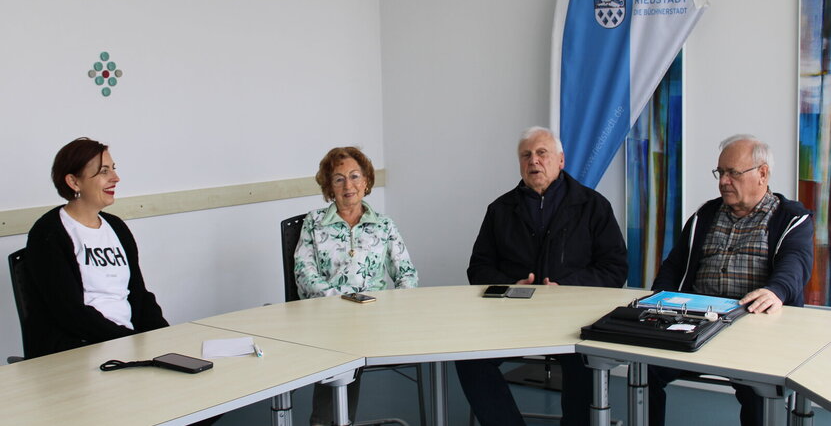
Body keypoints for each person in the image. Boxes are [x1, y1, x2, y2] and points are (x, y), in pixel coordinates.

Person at [456, 126, 628, 426]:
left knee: (585, 365)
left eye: (541, 153)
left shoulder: (594, 206)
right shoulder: (500, 210)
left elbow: (615, 267)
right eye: (526, 155)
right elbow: (478, 267)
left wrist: (568, 288)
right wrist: (508, 286)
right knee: (469, 360)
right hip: (512, 315)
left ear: (560, 160)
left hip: (574, 317)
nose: (533, 160)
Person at [649, 134, 813, 426]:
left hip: (753, 330)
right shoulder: (706, 214)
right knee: (645, 371)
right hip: (694, 321)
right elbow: (674, 266)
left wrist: (776, 291)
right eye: (720, 172)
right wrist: (657, 299)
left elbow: (796, 264)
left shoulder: (790, 218)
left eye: (732, 173)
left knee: (759, 394)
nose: (723, 181)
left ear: (762, 174)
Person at [294, 146, 418, 426]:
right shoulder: (314, 222)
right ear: (329, 186)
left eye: (354, 176)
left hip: (376, 318)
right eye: (338, 179)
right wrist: (339, 302)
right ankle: (330, 421)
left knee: (349, 346)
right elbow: (304, 273)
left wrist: (394, 307)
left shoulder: (384, 225)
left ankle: (330, 421)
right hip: (329, 316)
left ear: (366, 181)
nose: (347, 185)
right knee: (340, 344)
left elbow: (407, 274)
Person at [25, 137, 168, 359]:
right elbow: (70, 313)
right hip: (79, 351)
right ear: (74, 182)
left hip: (125, 343)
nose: (115, 178)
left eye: (113, 169)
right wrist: (128, 341)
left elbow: (138, 294)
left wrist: (164, 338)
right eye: (103, 172)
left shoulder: (117, 228)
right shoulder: (49, 233)